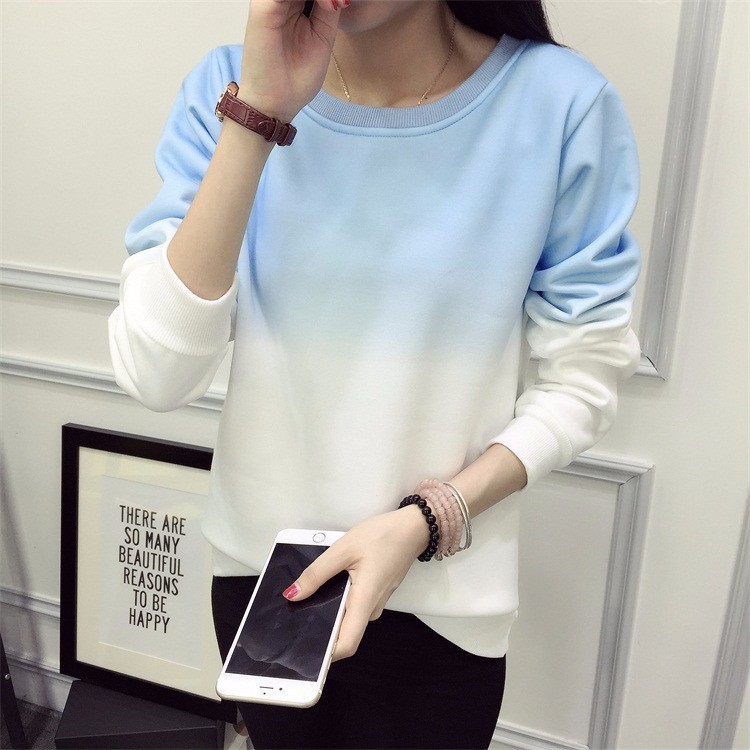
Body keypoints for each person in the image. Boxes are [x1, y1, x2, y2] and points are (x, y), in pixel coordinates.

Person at [108, 0, 642, 747]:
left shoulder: (560, 104)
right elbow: (157, 374)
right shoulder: (230, 89)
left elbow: (582, 382)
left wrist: (429, 518)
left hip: (442, 603)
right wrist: (259, 116)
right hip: (268, 584)